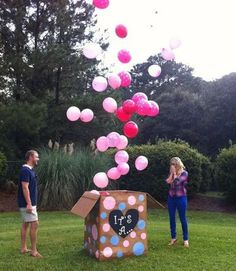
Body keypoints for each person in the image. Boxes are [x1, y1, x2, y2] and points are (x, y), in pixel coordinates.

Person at [17, 150, 42, 257]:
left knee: (25, 224)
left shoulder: (29, 170)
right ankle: (34, 251)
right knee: (35, 224)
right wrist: (29, 204)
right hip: (27, 203)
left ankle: (23, 248)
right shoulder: (26, 171)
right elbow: (25, 187)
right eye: (37, 157)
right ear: (31, 157)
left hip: (28, 203)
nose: (38, 159)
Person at [165, 157, 189, 248]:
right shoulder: (172, 173)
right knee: (172, 218)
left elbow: (177, 182)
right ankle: (173, 238)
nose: (172, 166)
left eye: (174, 164)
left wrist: (174, 173)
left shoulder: (184, 173)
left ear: (178, 164)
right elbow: (168, 181)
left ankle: (185, 239)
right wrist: (172, 173)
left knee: (182, 218)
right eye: (171, 164)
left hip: (181, 198)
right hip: (171, 198)